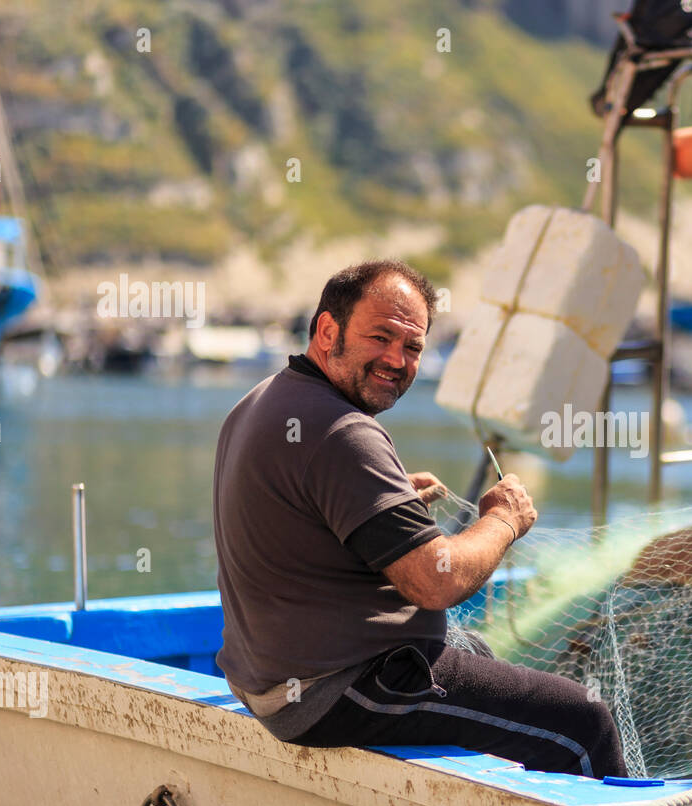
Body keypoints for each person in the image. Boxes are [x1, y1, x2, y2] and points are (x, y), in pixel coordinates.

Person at [213, 259, 627, 778]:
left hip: (266, 680)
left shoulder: (261, 402)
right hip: (337, 691)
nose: (396, 360)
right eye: (380, 337)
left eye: (412, 347)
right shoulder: (343, 432)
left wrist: (383, 508)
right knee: (582, 720)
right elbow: (436, 583)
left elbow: (295, 517)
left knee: (477, 652)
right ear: (327, 330)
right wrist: (502, 520)